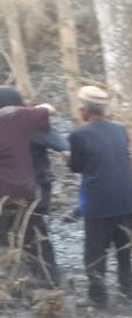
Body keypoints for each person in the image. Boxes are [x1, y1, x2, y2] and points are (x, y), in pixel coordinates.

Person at [69, 86, 132, 308]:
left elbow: (76, 166)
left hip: (99, 203)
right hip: (125, 200)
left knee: (95, 253)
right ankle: (128, 292)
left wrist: (67, 158)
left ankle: (98, 296)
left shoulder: (78, 134)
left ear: (84, 110)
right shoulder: (120, 129)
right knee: (124, 251)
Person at [0, 87, 54, 287]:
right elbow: (49, 110)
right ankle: (49, 282)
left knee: (4, 242)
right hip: (25, 194)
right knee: (38, 241)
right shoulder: (20, 118)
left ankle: (14, 284)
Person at [29, 122, 70, 288]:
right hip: (36, 190)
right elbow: (64, 146)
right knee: (37, 235)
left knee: (29, 235)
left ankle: (44, 281)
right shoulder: (31, 125)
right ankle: (49, 281)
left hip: (12, 193)